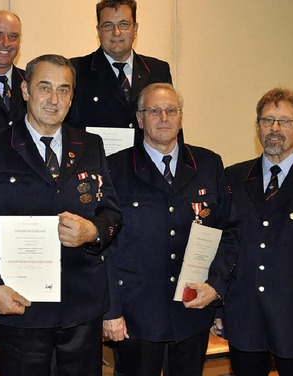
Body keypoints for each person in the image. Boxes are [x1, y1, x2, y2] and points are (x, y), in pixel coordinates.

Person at [0, 54, 123, 375]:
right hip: (21, 306)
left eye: (64, 89)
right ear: (25, 90)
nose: (54, 99)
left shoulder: (91, 145)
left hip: (81, 307)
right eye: (44, 87)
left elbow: (112, 212)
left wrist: (92, 231)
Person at [103, 83, 238, 376]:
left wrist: (216, 289)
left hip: (191, 311)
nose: (164, 117)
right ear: (140, 119)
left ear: (180, 117)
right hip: (137, 314)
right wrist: (111, 311)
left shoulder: (207, 163)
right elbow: (106, 248)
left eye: (171, 110)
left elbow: (227, 233)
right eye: (154, 110)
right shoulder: (115, 167)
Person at [220, 88, 293, 375]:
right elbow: (221, 245)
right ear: (257, 126)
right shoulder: (232, 177)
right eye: (267, 120)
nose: (274, 128)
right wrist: (218, 309)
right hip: (244, 316)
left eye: (284, 121)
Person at [68, 0, 172, 130]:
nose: (116, 32)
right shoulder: (75, 70)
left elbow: (171, 123)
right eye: (108, 25)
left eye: (123, 24)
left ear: (135, 29)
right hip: (96, 151)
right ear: (98, 31)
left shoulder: (158, 71)